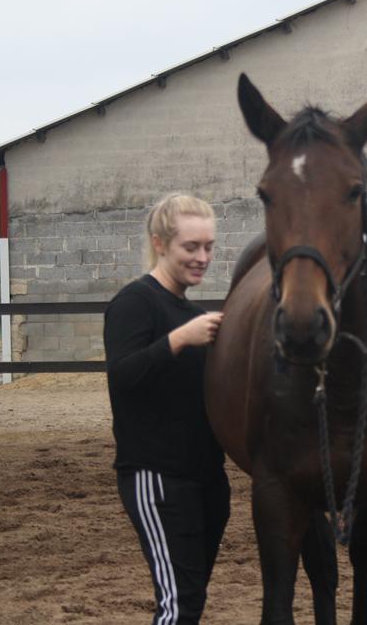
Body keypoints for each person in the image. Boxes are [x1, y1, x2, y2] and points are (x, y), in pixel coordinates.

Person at [104, 193, 229, 625]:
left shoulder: (194, 313)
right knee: (178, 606)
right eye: (190, 247)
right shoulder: (135, 302)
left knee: (189, 601)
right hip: (156, 479)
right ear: (160, 243)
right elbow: (121, 377)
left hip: (207, 480)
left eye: (209, 247)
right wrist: (179, 339)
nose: (202, 257)